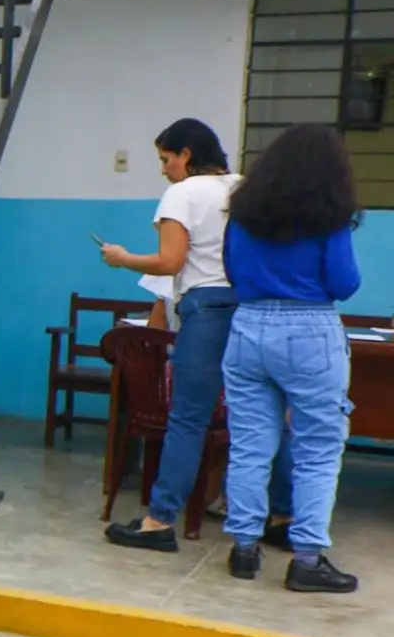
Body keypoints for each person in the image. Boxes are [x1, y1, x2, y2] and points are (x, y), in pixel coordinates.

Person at [220, 123, 363, 593]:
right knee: (317, 448)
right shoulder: (329, 217)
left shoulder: (243, 214)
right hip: (310, 331)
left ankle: (244, 550)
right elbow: (344, 283)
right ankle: (306, 559)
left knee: (250, 444)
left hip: (248, 326)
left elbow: (232, 272)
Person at [99, 118, 242, 552]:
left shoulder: (183, 193)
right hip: (252, 307)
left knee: (188, 418)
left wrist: (123, 258)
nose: (164, 170)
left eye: (166, 159)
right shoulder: (244, 187)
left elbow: (170, 261)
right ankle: (280, 517)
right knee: (262, 418)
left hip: (206, 308)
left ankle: (159, 520)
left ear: (186, 155)